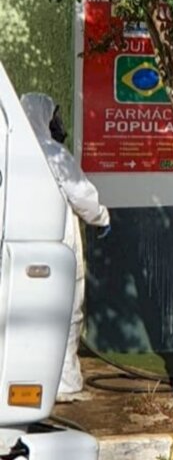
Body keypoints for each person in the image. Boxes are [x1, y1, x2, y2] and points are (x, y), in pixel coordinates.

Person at [21, 93, 111, 400]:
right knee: (67, 314)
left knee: (25, 318)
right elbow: (82, 196)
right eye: (54, 118)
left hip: (20, 251)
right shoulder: (53, 153)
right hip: (60, 248)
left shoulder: (11, 152)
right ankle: (64, 384)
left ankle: (25, 380)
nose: (58, 125)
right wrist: (101, 217)